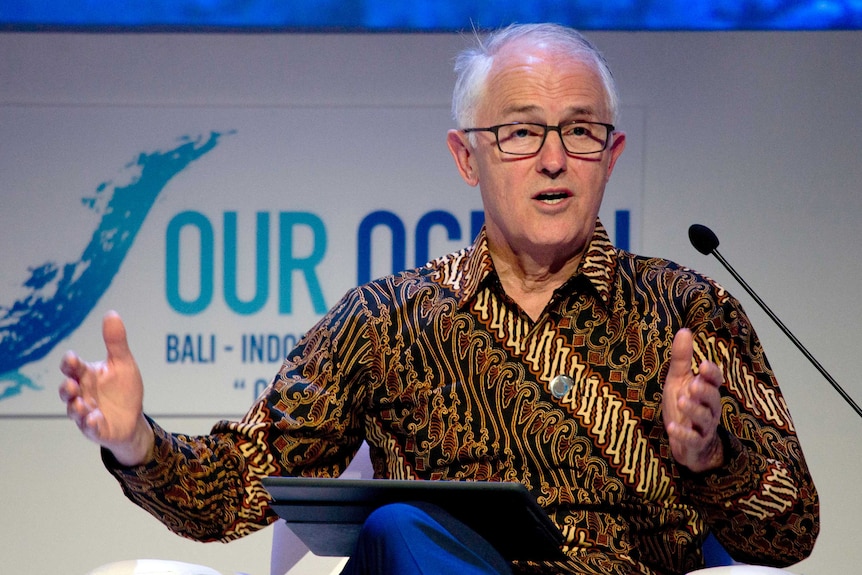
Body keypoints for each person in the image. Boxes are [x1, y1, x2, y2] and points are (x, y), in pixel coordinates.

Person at [60, 23, 819, 575]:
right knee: (401, 529)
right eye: (522, 132)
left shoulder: (687, 308)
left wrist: (712, 454)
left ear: (611, 155)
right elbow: (237, 487)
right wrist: (137, 443)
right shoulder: (385, 321)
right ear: (468, 156)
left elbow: (793, 533)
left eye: (580, 132)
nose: (554, 159)